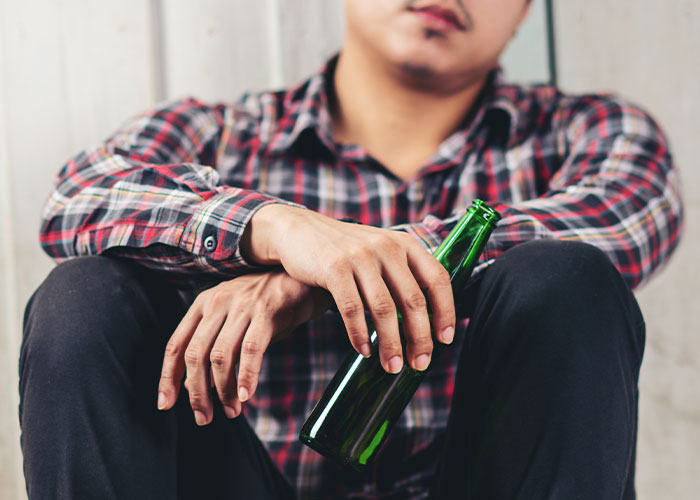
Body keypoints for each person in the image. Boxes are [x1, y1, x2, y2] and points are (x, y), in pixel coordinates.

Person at [19, 0, 683, 498]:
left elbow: (628, 219)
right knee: (83, 300)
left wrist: (322, 279)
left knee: (564, 277)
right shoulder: (216, 134)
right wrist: (282, 232)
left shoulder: (589, 131)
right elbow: (81, 196)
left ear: (524, 13)